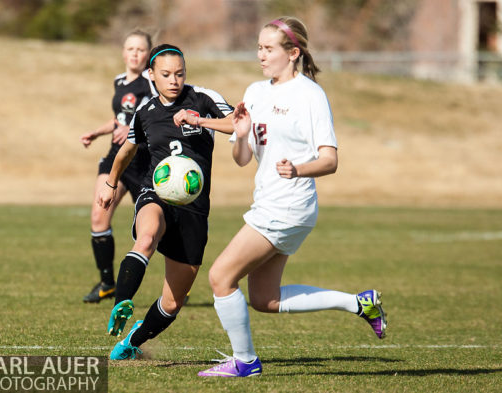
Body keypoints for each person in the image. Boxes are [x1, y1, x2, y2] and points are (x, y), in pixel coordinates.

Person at [197, 17, 387, 378]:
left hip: (289, 205)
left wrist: (297, 169)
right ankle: (360, 303)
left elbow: (330, 159)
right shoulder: (255, 92)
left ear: (293, 52)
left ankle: (245, 362)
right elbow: (241, 159)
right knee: (264, 299)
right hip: (270, 202)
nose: (260, 55)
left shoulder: (310, 95)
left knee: (221, 277)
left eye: (268, 49)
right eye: (259, 47)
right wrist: (239, 135)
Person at [96, 44, 235, 360]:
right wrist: (110, 183)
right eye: (166, 74)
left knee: (173, 302)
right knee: (146, 237)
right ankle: (122, 301)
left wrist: (201, 122)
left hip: (194, 208)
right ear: (151, 76)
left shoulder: (203, 98)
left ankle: (133, 340)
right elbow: (128, 150)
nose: (174, 80)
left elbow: (237, 124)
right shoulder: (144, 112)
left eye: (180, 73)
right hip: (155, 194)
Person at [80, 30, 156, 303]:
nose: (135, 53)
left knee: (153, 228)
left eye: (140, 49)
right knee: (99, 217)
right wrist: (96, 132)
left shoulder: (154, 81)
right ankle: (106, 283)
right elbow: (119, 120)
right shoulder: (120, 81)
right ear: (123, 52)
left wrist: (134, 129)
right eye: (130, 48)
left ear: (148, 54)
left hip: (144, 160)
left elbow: (158, 117)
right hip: (117, 156)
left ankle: (180, 276)